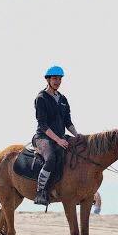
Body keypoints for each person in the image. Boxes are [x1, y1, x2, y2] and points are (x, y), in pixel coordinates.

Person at [33, 65, 81, 206]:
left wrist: (77, 135)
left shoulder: (63, 99)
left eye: (59, 79)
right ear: (48, 79)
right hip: (43, 138)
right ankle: (41, 191)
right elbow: (43, 125)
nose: (57, 81)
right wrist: (59, 140)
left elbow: (68, 122)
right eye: (54, 78)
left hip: (60, 137)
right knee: (51, 159)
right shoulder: (41, 98)